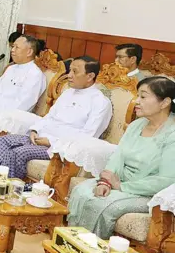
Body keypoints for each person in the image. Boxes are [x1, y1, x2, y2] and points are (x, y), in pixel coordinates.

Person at [68, 76, 175, 238]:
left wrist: (121, 186)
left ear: (164, 103)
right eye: (137, 96)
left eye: (143, 97)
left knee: (101, 205)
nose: (136, 101)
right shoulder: (136, 125)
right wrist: (105, 181)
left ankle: (92, 249)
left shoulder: (172, 134)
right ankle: (70, 243)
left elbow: (166, 180)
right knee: (81, 191)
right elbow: (118, 156)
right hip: (118, 182)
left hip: (147, 193)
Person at [0, 56, 112, 178]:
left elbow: (87, 137)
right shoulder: (67, 93)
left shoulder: (100, 102)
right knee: (3, 141)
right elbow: (48, 117)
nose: (69, 75)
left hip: (57, 148)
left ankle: (5, 186)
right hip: (39, 138)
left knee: (17, 152)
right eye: (70, 71)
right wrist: (34, 130)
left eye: (75, 72)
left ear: (90, 76)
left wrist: (52, 141)